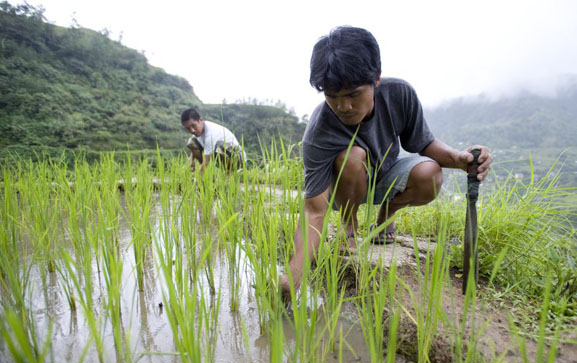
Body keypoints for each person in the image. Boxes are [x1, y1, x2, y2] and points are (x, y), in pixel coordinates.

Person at [279, 26, 492, 298]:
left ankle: (386, 214)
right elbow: (314, 211)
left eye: (353, 95)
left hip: (385, 173)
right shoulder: (319, 131)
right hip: (343, 183)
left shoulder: (399, 94)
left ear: (376, 80)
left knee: (431, 173)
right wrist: (293, 276)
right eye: (333, 97)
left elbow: (423, 144)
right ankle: (350, 224)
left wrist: (459, 159)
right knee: (352, 156)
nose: (344, 107)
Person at [181, 107, 244, 173]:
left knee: (220, 146)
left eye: (194, 126)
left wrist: (198, 182)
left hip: (238, 160)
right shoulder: (198, 131)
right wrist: (191, 160)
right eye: (188, 128)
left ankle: (230, 173)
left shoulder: (210, 133)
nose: (192, 130)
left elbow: (206, 161)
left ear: (201, 120)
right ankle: (208, 174)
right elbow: (193, 145)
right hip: (221, 157)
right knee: (191, 142)